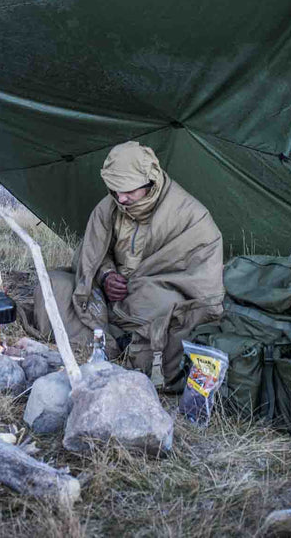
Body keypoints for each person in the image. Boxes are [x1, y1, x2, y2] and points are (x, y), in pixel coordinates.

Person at [31, 141, 224, 390]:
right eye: (114, 190)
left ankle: (117, 344)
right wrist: (106, 275)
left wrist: (145, 286)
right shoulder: (109, 207)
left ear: (150, 182)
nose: (121, 198)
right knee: (53, 285)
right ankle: (114, 344)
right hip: (110, 297)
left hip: (153, 299)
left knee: (158, 304)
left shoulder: (191, 217)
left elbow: (204, 288)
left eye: (128, 191)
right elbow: (89, 254)